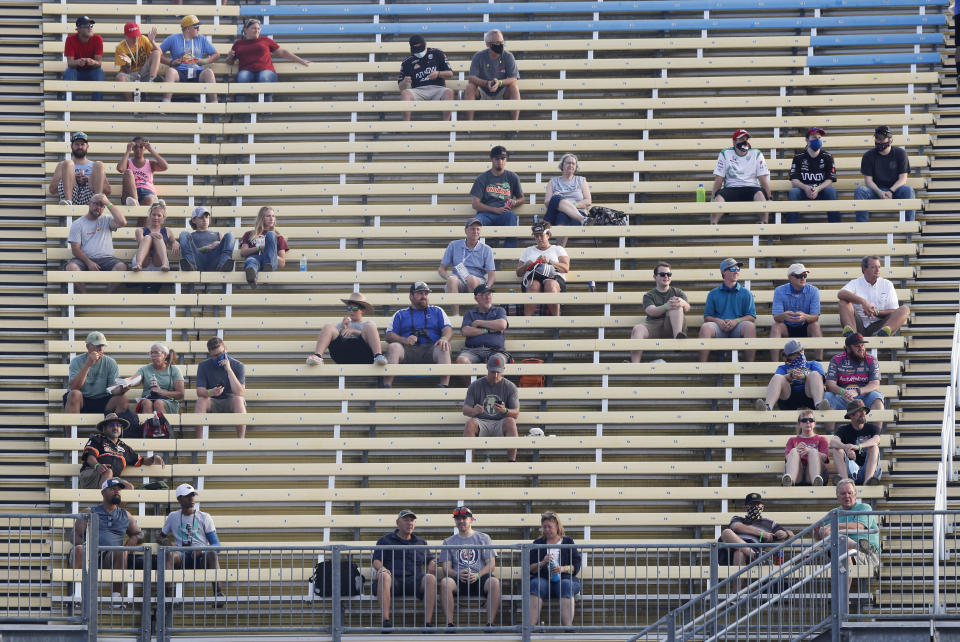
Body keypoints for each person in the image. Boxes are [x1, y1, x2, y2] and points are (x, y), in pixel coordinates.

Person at [72, 478, 142, 604]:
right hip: (90, 552)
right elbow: (75, 536)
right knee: (79, 549)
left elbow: (139, 533)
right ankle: (77, 595)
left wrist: (134, 538)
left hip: (111, 556)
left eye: (119, 490)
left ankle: (116, 597)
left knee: (122, 551)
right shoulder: (90, 512)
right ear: (103, 492)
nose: (117, 492)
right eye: (112, 489)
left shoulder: (125, 514)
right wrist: (86, 546)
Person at [372, 509, 437, 632]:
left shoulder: (421, 542)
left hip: (414, 581)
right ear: (397, 522)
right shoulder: (385, 540)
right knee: (384, 576)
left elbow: (430, 559)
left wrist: (432, 563)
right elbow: (376, 560)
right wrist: (382, 569)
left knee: (431, 578)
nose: (410, 523)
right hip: (393, 580)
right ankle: (385, 622)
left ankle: (427, 624)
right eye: (406, 520)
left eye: (412, 520)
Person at [439, 507, 500, 630]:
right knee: (445, 582)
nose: (460, 521)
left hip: (480, 578)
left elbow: (491, 565)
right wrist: (457, 574)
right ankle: (450, 624)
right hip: (459, 579)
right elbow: (446, 568)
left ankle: (490, 624)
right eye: (457, 519)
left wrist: (478, 574)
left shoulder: (483, 538)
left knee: (494, 582)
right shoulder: (448, 541)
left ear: (471, 519)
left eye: (464, 518)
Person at [383, 281, 453, 388]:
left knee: (444, 346)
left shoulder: (437, 311)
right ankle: (386, 386)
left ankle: (444, 386)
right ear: (411, 296)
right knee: (394, 346)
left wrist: (444, 338)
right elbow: (388, 336)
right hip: (408, 350)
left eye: (426, 294)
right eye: (420, 293)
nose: (424, 296)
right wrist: (404, 340)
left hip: (431, 350)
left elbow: (448, 329)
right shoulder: (400, 314)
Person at [160, 483, 223, 601]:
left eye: (193, 495)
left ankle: (218, 594)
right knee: (169, 554)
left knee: (212, 553)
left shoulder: (204, 517)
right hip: (182, 556)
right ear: (179, 499)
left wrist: (202, 549)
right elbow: (161, 536)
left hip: (201, 558)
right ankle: (165, 594)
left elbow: (217, 545)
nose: (191, 498)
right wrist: (165, 540)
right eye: (187, 496)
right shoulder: (173, 516)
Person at [816, 480, 880, 589]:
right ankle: (855, 545)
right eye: (843, 493)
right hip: (841, 551)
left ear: (855, 494)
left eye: (850, 493)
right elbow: (820, 533)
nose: (847, 496)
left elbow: (859, 526)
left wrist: (832, 526)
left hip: (868, 554)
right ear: (837, 496)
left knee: (843, 551)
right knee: (842, 548)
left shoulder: (864, 508)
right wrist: (819, 530)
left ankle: (841, 602)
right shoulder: (833, 512)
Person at [225, 19, 309, 102]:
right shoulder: (238, 43)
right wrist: (229, 57)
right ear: (245, 30)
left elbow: (282, 52)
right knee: (242, 77)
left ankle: (266, 108)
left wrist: (300, 60)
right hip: (247, 71)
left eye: (258, 28)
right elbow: (230, 62)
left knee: (263, 77)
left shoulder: (265, 40)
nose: (257, 30)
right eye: (254, 28)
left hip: (265, 70)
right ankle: (242, 109)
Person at [78, 413, 164, 489]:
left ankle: (118, 508)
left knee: (129, 487)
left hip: (112, 480)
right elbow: (90, 457)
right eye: (111, 425)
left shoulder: (125, 448)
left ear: (121, 429)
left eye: (118, 425)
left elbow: (142, 460)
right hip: (91, 475)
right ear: (104, 428)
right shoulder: (97, 439)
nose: (115, 427)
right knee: (108, 471)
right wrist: (97, 465)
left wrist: (154, 458)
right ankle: (104, 505)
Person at [527, 511, 581, 630]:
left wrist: (561, 569)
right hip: (544, 580)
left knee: (566, 585)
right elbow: (529, 568)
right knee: (536, 584)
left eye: (549, 527)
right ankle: (530, 628)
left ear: (557, 526)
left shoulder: (568, 541)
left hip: (565, 579)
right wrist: (542, 562)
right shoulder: (538, 543)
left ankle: (568, 628)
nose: (547, 530)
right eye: (544, 527)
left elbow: (576, 566)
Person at [64, 194, 128, 293]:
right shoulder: (78, 224)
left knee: (121, 267)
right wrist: (89, 262)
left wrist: (108, 203)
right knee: (71, 267)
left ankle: (107, 297)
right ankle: (85, 296)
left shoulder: (107, 219)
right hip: (85, 259)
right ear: (89, 203)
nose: (98, 207)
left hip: (107, 259)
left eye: (102, 205)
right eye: (95, 204)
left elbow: (122, 222)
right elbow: (75, 250)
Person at [63, 331, 129, 426]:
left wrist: (122, 389)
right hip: (82, 401)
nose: (100, 348)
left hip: (102, 399)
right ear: (88, 347)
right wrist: (88, 364)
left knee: (123, 399)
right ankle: (70, 439)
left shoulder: (110, 362)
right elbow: (74, 387)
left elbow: (112, 389)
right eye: (97, 345)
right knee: (74, 394)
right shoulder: (76, 361)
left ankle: (113, 437)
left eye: (103, 345)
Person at [462, 353, 519, 462]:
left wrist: (505, 411)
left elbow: (516, 413)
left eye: (498, 372)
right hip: (481, 421)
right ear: (487, 367)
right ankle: (468, 462)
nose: (496, 375)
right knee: (470, 424)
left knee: (510, 422)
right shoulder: (475, 385)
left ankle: (512, 461)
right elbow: (465, 410)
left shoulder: (510, 387)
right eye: (493, 371)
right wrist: (474, 411)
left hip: (500, 422)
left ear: (503, 369)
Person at [698, 258, 757, 362]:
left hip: (738, 326)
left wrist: (736, 321)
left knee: (750, 326)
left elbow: (751, 316)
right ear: (723, 272)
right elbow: (707, 317)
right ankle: (701, 366)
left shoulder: (746, 293)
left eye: (738, 268)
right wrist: (718, 321)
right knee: (706, 327)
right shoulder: (713, 293)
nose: (737, 271)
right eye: (733, 268)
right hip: (719, 327)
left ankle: (750, 365)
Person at [306, 292, 388, 366]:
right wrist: (342, 328)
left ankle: (378, 356)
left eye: (355, 308)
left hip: (363, 354)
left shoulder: (367, 324)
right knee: (328, 327)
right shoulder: (341, 324)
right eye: (349, 308)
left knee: (370, 326)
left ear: (363, 310)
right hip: (343, 355)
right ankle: (317, 356)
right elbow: (334, 339)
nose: (351, 311)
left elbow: (371, 338)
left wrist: (354, 331)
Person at [823, 333, 885, 431]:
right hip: (842, 397)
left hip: (863, 396)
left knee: (876, 397)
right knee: (828, 397)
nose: (861, 349)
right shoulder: (837, 359)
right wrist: (843, 392)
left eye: (862, 345)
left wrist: (858, 391)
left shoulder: (871, 359)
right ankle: (830, 437)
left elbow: (875, 384)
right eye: (857, 346)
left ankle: (876, 435)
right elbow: (830, 384)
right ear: (848, 349)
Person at [630, 261, 689, 363]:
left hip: (673, 326)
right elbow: (651, 311)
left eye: (668, 274)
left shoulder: (678, 292)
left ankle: (677, 339)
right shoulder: (649, 295)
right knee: (637, 329)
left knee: (677, 305)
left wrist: (682, 302)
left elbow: (687, 308)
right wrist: (667, 306)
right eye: (662, 274)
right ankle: (635, 365)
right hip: (654, 326)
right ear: (655, 277)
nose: (666, 277)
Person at [853, 125, 915, 222]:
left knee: (908, 190)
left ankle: (908, 226)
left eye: (881, 139)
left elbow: (903, 178)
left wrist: (891, 191)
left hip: (895, 190)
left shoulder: (900, 153)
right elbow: (868, 181)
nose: (878, 141)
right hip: (876, 191)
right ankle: (862, 226)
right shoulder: (868, 155)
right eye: (877, 138)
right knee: (860, 191)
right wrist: (879, 192)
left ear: (890, 140)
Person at [838, 255, 910, 337]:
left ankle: (882, 334)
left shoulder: (887, 284)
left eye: (879, 267)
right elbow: (840, 294)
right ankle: (853, 336)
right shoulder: (855, 283)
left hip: (880, 326)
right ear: (864, 269)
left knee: (905, 309)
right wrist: (863, 302)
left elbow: (894, 311)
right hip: (858, 325)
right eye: (873, 267)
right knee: (843, 301)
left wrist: (876, 312)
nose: (877, 270)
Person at [710, 129, 772, 224]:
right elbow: (719, 178)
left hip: (752, 187)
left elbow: (762, 179)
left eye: (746, 139)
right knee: (719, 198)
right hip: (731, 188)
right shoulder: (725, 153)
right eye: (741, 139)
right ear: (734, 141)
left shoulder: (756, 153)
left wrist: (769, 198)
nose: (745, 142)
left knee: (760, 195)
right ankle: (712, 224)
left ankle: (764, 222)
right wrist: (713, 198)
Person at [439, 217, 496, 315]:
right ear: (466, 230)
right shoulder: (454, 245)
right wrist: (448, 277)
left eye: (478, 229)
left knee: (471, 279)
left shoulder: (486, 249)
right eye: (472, 229)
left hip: (477, 281)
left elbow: (492, 275)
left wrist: (486, 288)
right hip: (458, 281)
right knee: (452, 279)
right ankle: (456, 315)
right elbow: (441, 269)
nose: (475, 231)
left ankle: (476, 314)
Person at [470, 145, 524, 248]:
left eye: (503, 159)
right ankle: (474, 253)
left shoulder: (512, 177)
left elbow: (521, 198)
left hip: (504, 214)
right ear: (492, 159)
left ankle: (509, 252)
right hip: (485, 215)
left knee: (512, 216)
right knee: (474, 223)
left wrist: (515, 202)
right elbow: (475, 204)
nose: (500, 161)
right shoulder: (482, 178)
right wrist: (495, 209)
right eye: (497, 158)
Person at [719, 493, 793, 565]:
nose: (755, 506)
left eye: (758, 504)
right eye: (752, 504)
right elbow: (736, 527)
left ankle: (755, 556)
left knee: (739, 553)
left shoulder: (769, 523)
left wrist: (785, 534)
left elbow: (792, 535)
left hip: (753, 553)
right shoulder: (738, 519)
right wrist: (762, 534)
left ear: (762, 507)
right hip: (731, 551)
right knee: (726, 532)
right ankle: (756, 556)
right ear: (745, 508)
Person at [756, 339, 829, 412]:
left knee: (815, 374)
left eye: (802, 350)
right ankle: (768, 407)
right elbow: (777, 382)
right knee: (778, 377)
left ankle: (819, 405)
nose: (801, 354)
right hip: (789, 398)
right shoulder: (783, 368)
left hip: (810, 397)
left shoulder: (813, 364)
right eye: (797, 353)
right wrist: (790, 376)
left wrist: (804, 376)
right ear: (789, 356)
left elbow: (821, 379)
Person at [194, 337, 247, 438]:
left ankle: (241, 440)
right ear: (210, 354)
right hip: (212, 400)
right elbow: (200, 391)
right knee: (201, 400)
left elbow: (239, 392)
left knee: (239, 399)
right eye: (215, 356)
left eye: (221, 353)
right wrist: (211, 392)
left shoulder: (238, 365)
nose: (219, 357)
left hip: (230, 401)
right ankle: (199, 441)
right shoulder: (203, 365)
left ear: (225, 349)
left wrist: (229, 370)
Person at [159, 15, 219, 103]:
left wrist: (204, 61)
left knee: (209, 72)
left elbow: (216, 54)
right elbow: (157, 53)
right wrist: (171, 62)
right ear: (187, 29)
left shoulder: (201, 38)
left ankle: (215, 105)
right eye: (196, 27)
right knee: (170, 71)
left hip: (197, 72)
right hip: (180, 72)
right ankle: (165, 103)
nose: (198, 29)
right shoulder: (173, 38)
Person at [770, 263, 823, 361]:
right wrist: (784, 316)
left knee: (815, 325)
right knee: (776, 326)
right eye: (799, 276)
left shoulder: (814, 290)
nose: (802, 278)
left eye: (804, 275)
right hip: (787, 327)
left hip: (805, 326)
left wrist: (805, 317)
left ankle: (819, 361)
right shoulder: (779, 290)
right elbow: (776, 317)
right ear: (790, 277)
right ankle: (775, 363)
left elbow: (815, 317)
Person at [464, 29, 520, 120]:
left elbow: (514, 78)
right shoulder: (479, 56)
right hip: (483, 90)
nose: (501, 45)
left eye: (502, 42)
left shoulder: (508, 56)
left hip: (502, 90)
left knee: (514, 87)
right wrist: (486, 83)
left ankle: (515, 123)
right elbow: (471, 77)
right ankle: (469, 123)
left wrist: (500, 83)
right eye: (498, 43)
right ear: (488, 44)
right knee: (470, 87)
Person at [516, 222, 569, 317]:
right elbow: (518, 273)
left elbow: (565, 268)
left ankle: (556, 320)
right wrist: (526, 265)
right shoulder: (528, 250)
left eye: (541, 235)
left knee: (550, 284)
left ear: (548, 235)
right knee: (534, 285)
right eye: (536, 236)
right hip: (533, 278)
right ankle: (527, 321)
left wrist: (550, 261)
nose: (539, 238)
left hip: (554, 278)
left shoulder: (558, 249)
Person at [787, 127, 839, 222]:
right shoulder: (798, 157)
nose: (817, 140)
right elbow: (794, 180)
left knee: (831, 191)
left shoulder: (828, 157)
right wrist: (806, 188)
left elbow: (830, 180)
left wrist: (818, 189)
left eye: (819, 138)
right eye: (814, 137)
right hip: (804, 191)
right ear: (807, 140)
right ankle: (791, 226)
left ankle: (835, 225)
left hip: (821, 190)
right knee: (793, 192)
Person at [398, 35, 453, 121]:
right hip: (418, 91)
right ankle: (406, 125)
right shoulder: (407, 62)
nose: (419, 52)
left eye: (420, 49)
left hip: (437, 88)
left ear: (425, 44)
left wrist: (438, 74)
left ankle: (446, 123)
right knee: (405, 93)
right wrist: (405, 82)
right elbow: (400, 86)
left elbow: (450, 73)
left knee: (449, 92)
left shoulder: (437, 53)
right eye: (415, 49)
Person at [49, 131, 111, 206]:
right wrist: (71, 178)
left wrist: (89, 179)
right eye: (77, 144)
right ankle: (69, 202)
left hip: (90, 198)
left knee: (99, 164)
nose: (80, 147)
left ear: (87, 146)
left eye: (82, 144)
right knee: (68, 163)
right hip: (71, 194)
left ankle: (97, 202)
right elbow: (52, 190)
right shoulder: (63, 165)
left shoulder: (95, 166)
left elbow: (108, 191)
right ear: (71, 146)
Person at [829, 399, 883, 486]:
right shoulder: (843, 429)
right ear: (851, 415)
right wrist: (845, 447)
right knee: (836, 449)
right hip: (851, 472)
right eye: (859, 411)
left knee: (874, 447)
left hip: (871, 472)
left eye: (864, 410)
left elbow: (876, 440)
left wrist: (858, 447)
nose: (863, 413)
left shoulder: (872, 428)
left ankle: (867, 482)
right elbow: (833, 442)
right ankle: (845, 482)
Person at [455, 284, 508, 366]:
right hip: (472, 350)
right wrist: (488, 330)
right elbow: (465, 331)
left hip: (495, 351)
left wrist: (478, 322)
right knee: (462, 361)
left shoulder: (499, 310)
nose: (487, 297)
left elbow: (502, 325)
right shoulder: (470, 313)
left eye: (489, 294)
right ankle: (472, 380)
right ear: (476, 298)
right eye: (483, 294)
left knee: (498, 361)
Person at [239, 206, 288, 288]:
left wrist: (270, 252)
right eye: (268, 216)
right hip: (256, 259)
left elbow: (282, 263)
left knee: (271, 234)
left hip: (271, 261)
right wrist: (260, 248)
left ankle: (267, 265)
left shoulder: (278, 237)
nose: (271, 219)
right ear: (262, 218)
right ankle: (252, 278)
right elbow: (243, 252)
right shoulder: (249, 234)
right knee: (251, 261)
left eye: (273, 216)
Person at [543, 153, 592, 233]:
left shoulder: (581, 180)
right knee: (556, 199)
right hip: (557, 213)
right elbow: (547, 202)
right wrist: (557, 199)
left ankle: (546, 226)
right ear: (562, 165)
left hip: (577, 213)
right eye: (568, 163)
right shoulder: (553, 181)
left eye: (573, 163)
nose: (571, 165)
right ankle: (583, 220)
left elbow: (588, 201)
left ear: (576, 167)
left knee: (563, 214)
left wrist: (570, 206)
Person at [130, 342, 184, 414]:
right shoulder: (144, 369)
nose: (153, 355)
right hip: (148, 398)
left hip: (168, 401)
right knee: (147, 403)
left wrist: (161, 392)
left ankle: (163, 425)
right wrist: (126, 383)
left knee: (158, 403)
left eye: (156, 353)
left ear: (165, 355)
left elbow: (180, 394)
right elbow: (133, 380)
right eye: (151, 353)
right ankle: (147, 425)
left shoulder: (174, 370)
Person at [782, 409, 829, 486]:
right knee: (793, 451)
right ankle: (789, 481)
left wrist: (810, 450)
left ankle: (816, 481)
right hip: (797, 472)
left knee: (813, 452)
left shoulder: (821, 439)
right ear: (799, 424)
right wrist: (797, 452)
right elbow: (787, 459)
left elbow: (825, 458)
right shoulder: (792, 440)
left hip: (816, 472)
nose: (808, 422)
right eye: (804, 420)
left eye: (811, 420)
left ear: (814, 423)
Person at [179, 206, 235, 272]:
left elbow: (223, 250)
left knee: (230, 235)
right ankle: (191, 265)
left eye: (206, 217)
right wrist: (207, 247)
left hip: (214, 261)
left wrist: (219, 245)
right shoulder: (190, 236)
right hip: (198, 262)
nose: (204, 220)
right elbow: (190, 252)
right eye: (201, 217)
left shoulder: (218, 234)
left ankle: (223, 265)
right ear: (194, 220)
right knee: (183, 233)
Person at [116, 137, 167, 207]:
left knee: (149, 200)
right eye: (135, 147)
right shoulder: (128, 163)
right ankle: (137, 202)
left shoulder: (150, 164)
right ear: (132, 148)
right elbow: (120, 169)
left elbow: (164, 167)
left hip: (147, 193)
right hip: (130, 195)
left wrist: (151, 150)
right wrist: (128, 151)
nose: (138, 149)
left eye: (141, 147)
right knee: (128, 172)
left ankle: (150, 202)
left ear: (145, 148)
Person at [115, 22, 160, 99]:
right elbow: (127, 71)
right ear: (125, 36)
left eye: (136, 36)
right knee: (120, 77)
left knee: (156, 52)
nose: (135, 38)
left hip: (143, 71)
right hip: (130, 73)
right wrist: (128, 64)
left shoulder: (143, 39)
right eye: (132, 36)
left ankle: (152, 79)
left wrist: (152, 42)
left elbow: (159, 53)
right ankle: (130, 104)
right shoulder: (120, 47)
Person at [63, 16, 104, 100]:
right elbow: (70, 63)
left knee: (99, 72)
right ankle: (70, 104)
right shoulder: (70, 39)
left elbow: (99, 63)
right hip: (77, 71)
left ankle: (97, 106)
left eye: (91, 25)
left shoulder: (98, 39)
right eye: (86, 26)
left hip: (92, 71)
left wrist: (93, 62)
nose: (90, 28)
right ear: (78, 29)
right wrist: (77, 62)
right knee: (69, 72)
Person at [132, 200, 177, 272]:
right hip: (144, 261)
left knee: (158, 237)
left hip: (159, 263)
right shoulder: (140, 230)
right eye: (154, 215)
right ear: (150, 215)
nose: (156, 218)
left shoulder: (167, 231)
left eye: (159, 215)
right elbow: (141, 244)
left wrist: (175, 242)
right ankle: (139, 264)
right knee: (147, 237)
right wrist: (150, 235)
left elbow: (173, 241)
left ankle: (165, 264)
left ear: (163, 217)